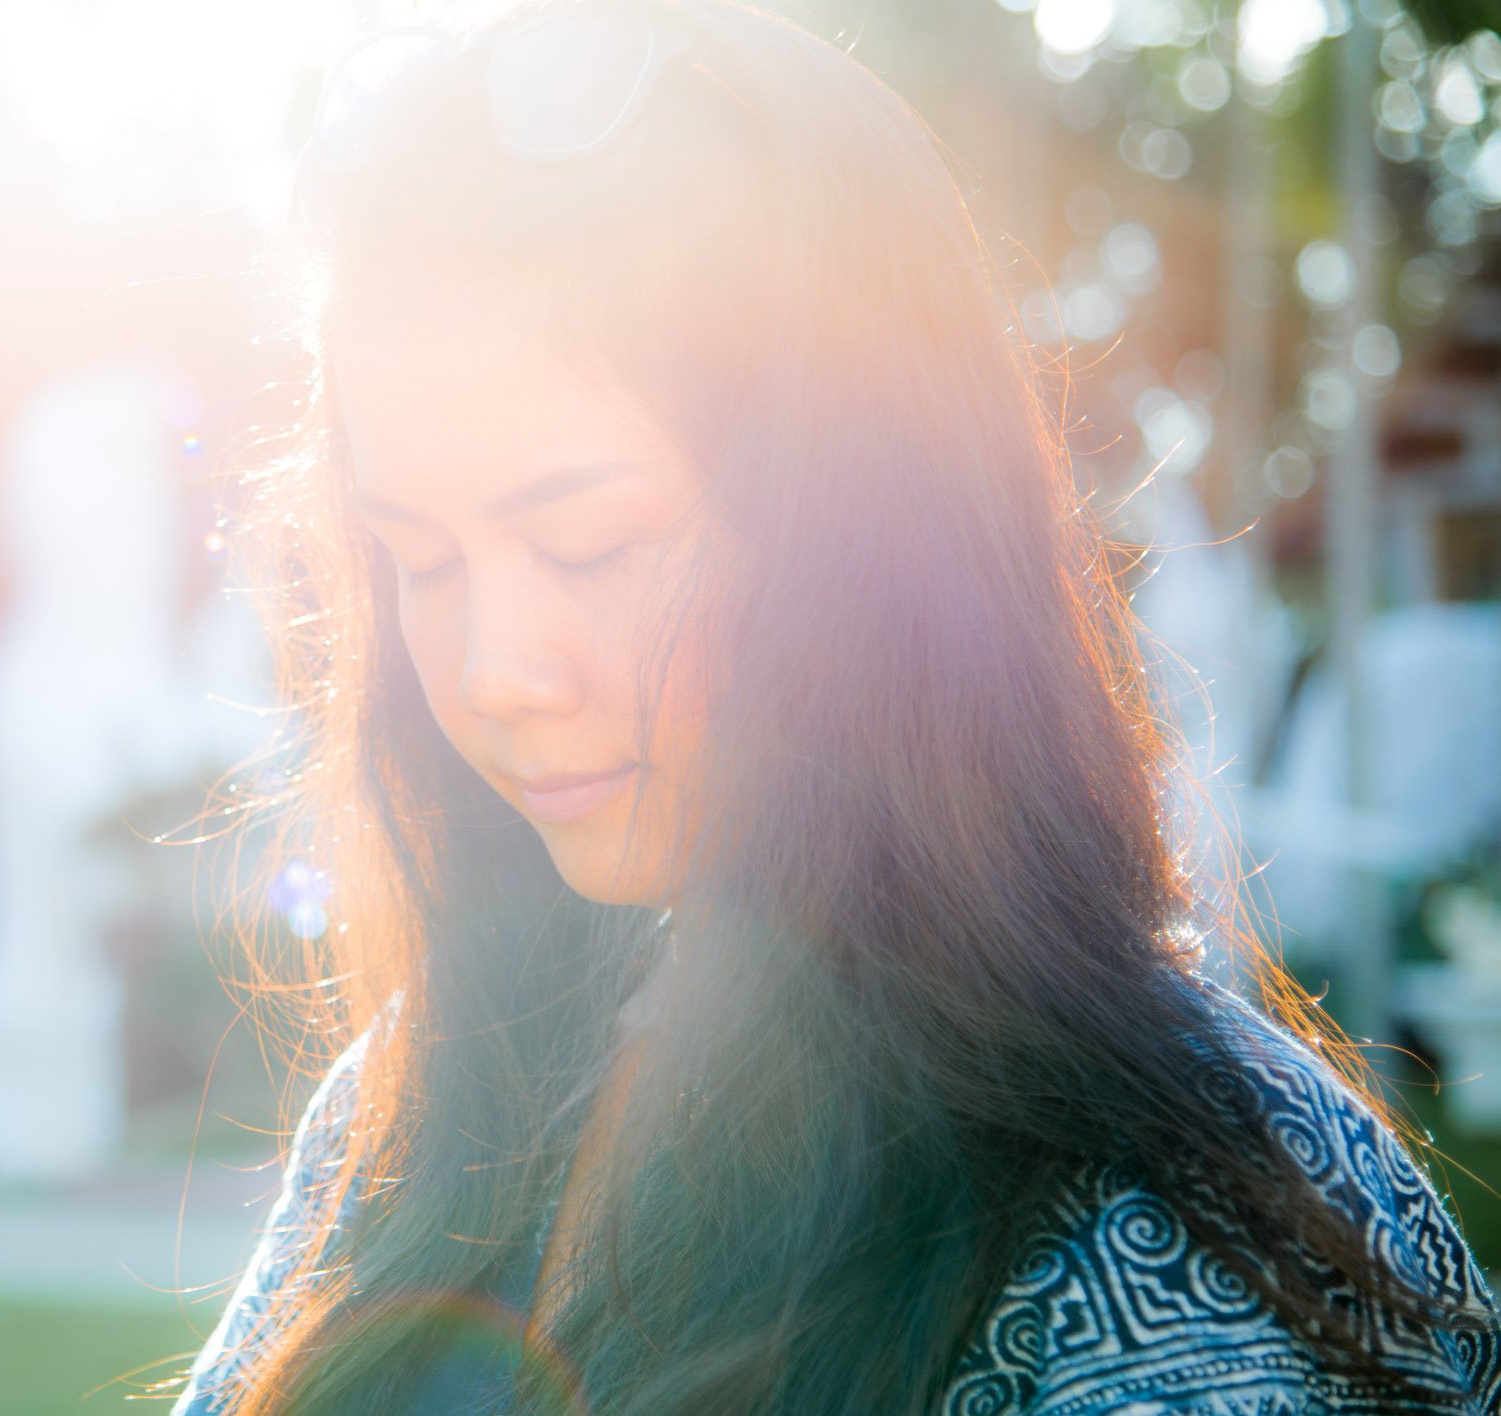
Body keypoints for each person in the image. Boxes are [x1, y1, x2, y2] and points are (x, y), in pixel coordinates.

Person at [168, 2, 1501, 1413]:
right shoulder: (418, 1110)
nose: (496, 670)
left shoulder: (1169, 1227)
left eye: (589, 547)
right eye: (419, 560)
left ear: (867, 536)